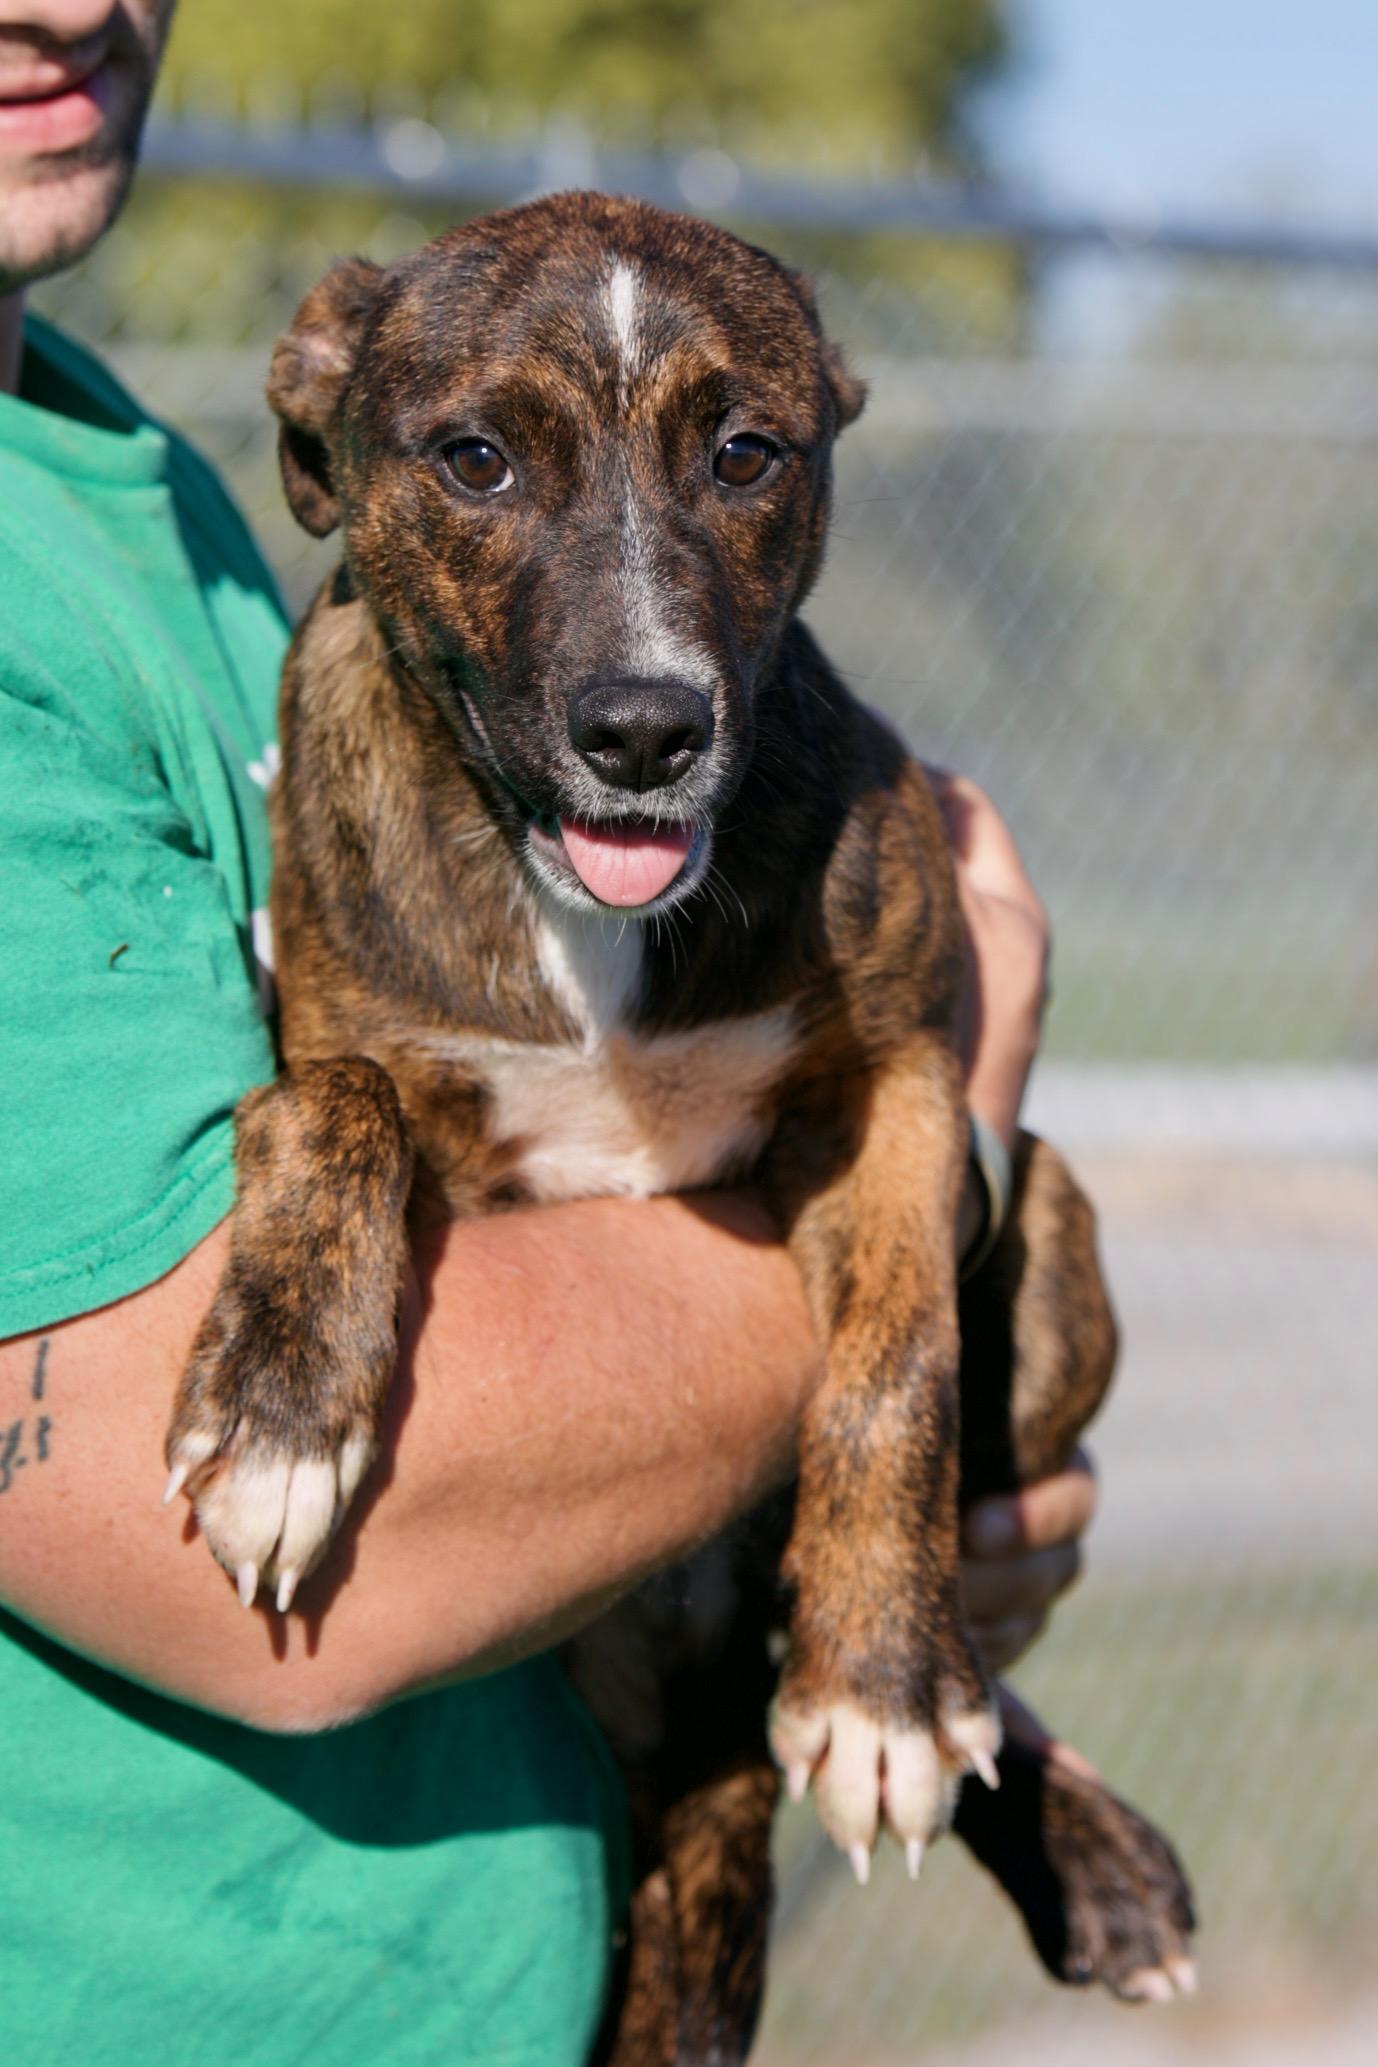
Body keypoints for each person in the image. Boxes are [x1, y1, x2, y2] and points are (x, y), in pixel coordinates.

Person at [0, 5, 1096, 2061]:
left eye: (744, 454)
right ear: (342, 433)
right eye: (482, 462)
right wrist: (914, 1207)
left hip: (554, 1916)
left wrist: (903, 1526)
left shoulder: (158, 497)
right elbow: (299, 1553)